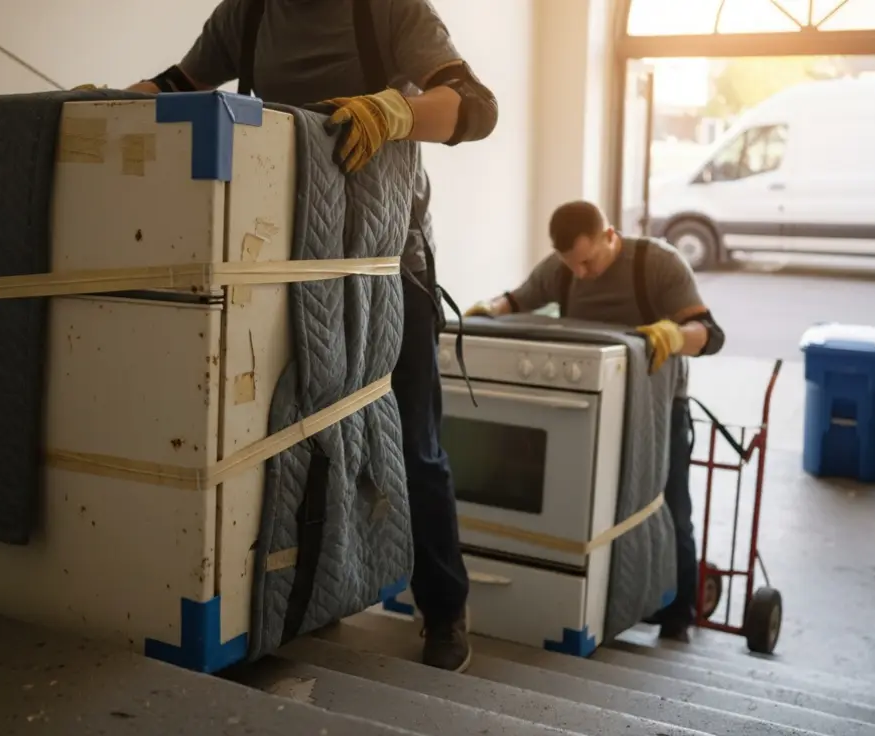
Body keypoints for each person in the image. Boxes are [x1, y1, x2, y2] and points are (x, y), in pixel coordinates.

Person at [114, 0, 498, 671]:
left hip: (387, 265)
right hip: (285, 255)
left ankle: (444, 608)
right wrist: (114, 107)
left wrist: (398, 112)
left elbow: (476, 105)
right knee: (290, 432)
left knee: (412, 444)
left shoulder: (389, 10)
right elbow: (179, 86)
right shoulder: (251, 12)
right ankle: (304, 592)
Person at [464, 200, 726, 642]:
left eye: (588, 262)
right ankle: (607, 603)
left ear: (610, 236)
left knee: (669, 507)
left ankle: (678, 615)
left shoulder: (658, 264)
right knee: (593, 508)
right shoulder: (562, 268)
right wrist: (486, 311)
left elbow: (711, 335)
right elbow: (517, 299)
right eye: (572, 265)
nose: (580, 274)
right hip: (593, 404)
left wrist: (675, 334)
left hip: (658, 408)